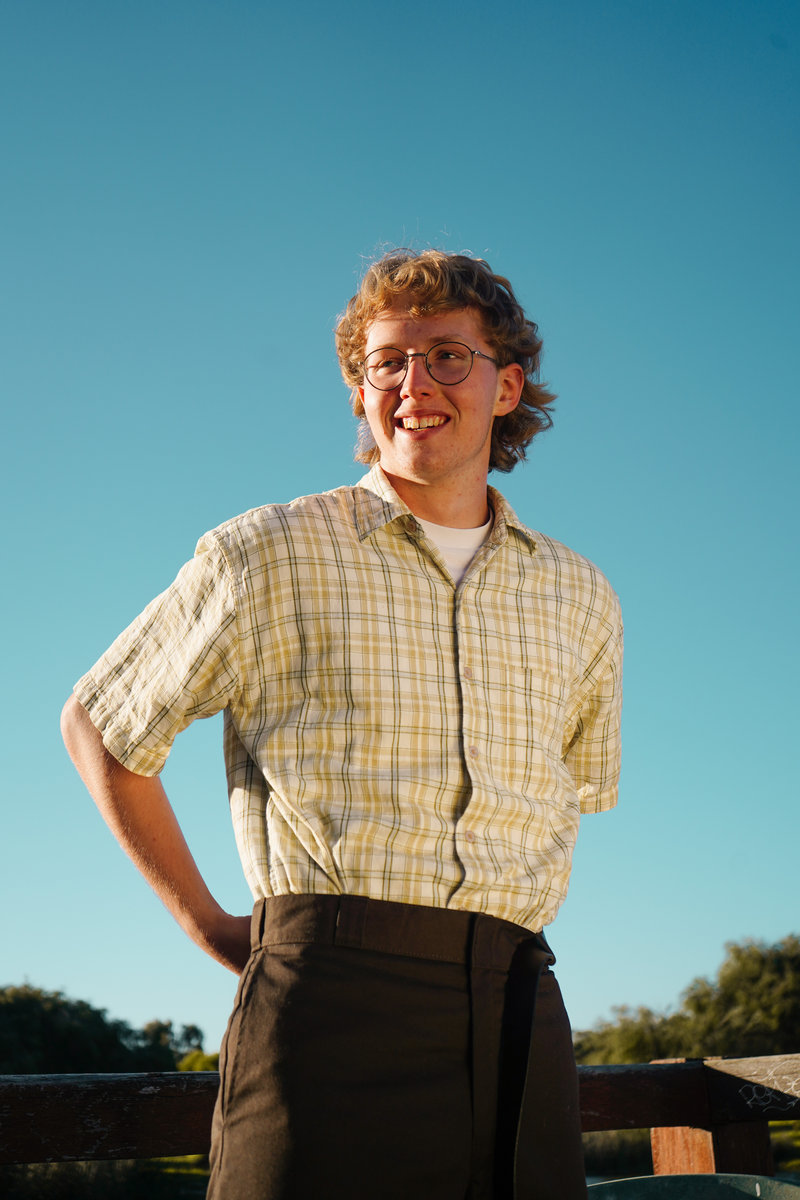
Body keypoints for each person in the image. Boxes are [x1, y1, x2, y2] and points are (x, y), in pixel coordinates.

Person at [61, 249, 622, 1200]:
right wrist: (215, 927)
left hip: (522, 1010)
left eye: (448, 356)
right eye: (386, 363)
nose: (414, 385)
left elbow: (575, 793)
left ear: (507, 385)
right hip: (322, 1009)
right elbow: (100, 727)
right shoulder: (265, 552)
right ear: (361, 392)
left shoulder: (582, 596)